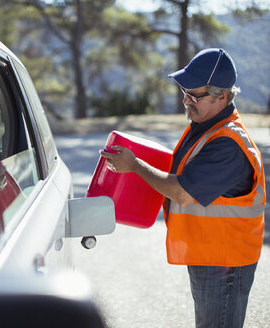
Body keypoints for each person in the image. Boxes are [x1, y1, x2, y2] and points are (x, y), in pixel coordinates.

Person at [100, 48, 265, 328]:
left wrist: (136, 165)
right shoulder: (204, 126)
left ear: (222, 96)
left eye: (195, 95)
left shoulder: (228, 144)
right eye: (184, 92)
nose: (186, 101)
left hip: (225, 262)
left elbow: (182, 192)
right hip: (210, 254)